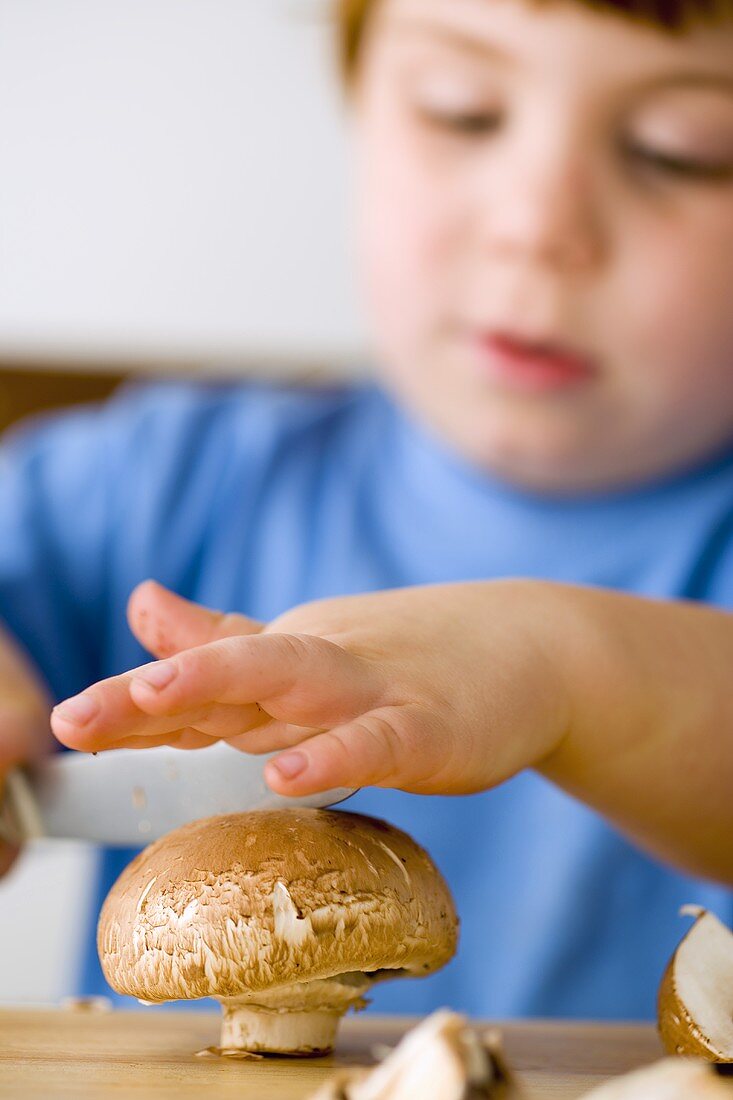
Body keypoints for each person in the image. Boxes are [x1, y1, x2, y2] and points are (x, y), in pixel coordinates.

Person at [2, 0, 733, 1018]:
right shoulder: (167, 479)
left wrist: (562, 663)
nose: (536, 227)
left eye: (684, 150)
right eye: (462, 111)